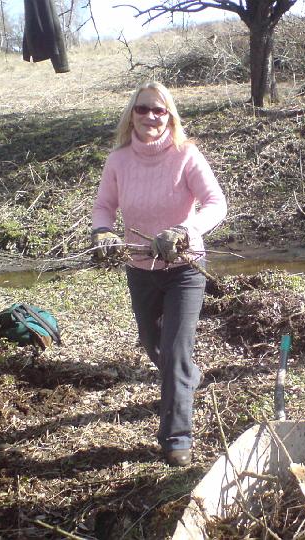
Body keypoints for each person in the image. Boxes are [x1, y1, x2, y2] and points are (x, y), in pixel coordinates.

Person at [91, 81, 227, 467]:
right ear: (131, 115)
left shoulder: (186, 155)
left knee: (175, 349)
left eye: (159, 110)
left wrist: (185, 231)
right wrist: (104, 232)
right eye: (143, 109)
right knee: (152, 342)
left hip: (184, 268)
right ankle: (185, 377)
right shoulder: (118, 160)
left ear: (170, 116)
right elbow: (104, 206)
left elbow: (217, 203)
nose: (151, 116)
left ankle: (176, 438)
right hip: (140, 266)